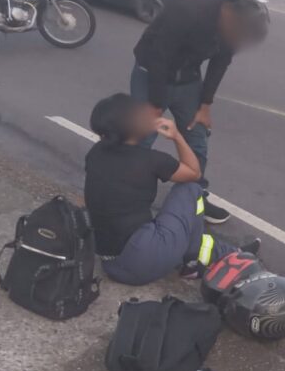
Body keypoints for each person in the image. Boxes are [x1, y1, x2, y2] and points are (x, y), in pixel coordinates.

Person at [84, 94, 259, 286]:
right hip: (141, 260)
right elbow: (194, 173)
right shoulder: (151, 160)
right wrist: (177, 136)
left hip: (110, 264)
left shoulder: (95, 153)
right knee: (190, 190)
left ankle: (219, 254)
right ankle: (201, 261)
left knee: (177, 230)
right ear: (131, 128)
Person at [131, 0, 270, 224]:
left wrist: (205, 104)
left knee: (197, 140)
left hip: (188, 81)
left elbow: (220, 62)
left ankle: (192, 197)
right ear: (229, 16)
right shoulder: (188, 11)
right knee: (142, 139)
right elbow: (158, 56)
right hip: (151, 75)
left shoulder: (233, 29)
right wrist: (155, 104)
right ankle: (131, 197)